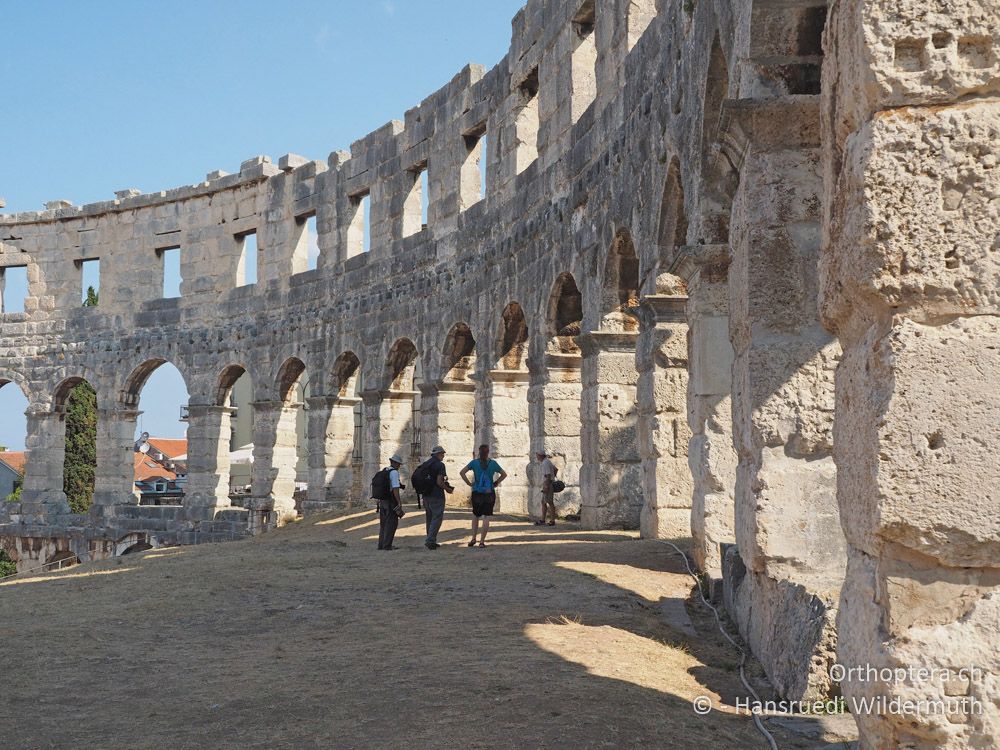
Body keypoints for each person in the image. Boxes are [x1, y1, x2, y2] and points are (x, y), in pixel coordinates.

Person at [459, 444, 507, 547]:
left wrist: (468, 483)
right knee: (486, 517)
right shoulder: (493, 463)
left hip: (477, 492)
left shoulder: (474, 463)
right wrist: (496, 482)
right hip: (489, 492)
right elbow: (504, 474)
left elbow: (462, 472)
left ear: (479, 452)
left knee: (475, 516)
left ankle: (473, 538)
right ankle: (482, 542)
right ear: (488, 452)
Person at [423, 445, 452, 550]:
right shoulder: (440, 465)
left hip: (426, 495)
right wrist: (447, 489)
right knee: (437, 518)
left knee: (429, 518)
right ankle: (430, 540)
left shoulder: (426, 464)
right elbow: (439, 482)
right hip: (436, 495)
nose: (443, 456)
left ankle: (430, 539)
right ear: (438, 454)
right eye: (442, 454)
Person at [377, 454, 405, 550]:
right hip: (390, 501)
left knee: (383, 524)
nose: (399, 466)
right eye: (398, 464)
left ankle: (381, 545)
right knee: (392, 524)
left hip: (382, 500)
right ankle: (387, 545)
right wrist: (399, 502)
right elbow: (395, 488)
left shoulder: (385, 470)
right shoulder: (394, 473)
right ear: (395, 463)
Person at [534, 451, 557, 527]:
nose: (536, 456)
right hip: (548, 483)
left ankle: (552, 520)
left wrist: (546, 486)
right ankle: (543, 519)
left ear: (540, 455)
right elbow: (555, 469)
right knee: (543, 502)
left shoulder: (545, 463)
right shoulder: (547, 461)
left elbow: (548, 475)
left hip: (547, 484)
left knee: (550, 502)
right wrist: (553, 477)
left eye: (537, 455)